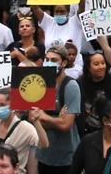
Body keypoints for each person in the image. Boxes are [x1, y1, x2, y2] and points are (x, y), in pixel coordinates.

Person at [35, 46, 82, 174]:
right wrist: (57, 119)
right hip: (43, 156)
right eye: (47, 59)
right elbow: (33, 119)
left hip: (66, 158)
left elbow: (66, 125)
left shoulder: (70, 86)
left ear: (64, 63)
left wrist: (43, 116)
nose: (49, 63)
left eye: (54, 60)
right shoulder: (40, 84)